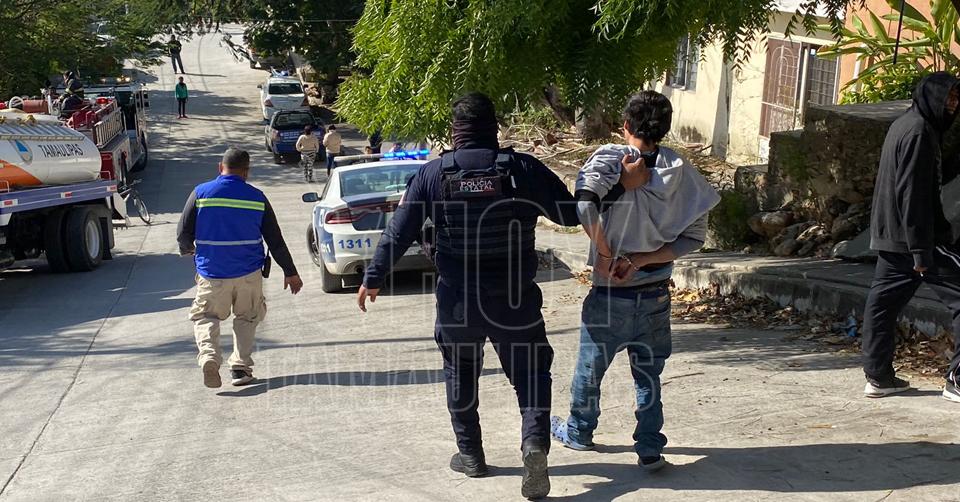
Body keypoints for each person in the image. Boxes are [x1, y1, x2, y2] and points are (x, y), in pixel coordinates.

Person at [356, 92, 646, 500]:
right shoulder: (522, 169)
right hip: (514, 298)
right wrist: (618, 187)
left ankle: (471, 455)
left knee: (460, 373)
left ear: (455, 131)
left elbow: (399, 232)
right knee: (530, 374)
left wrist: (373, 277)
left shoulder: (432, 175)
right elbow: (570, 214)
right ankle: (534, 445)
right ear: (494, 127)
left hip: (458, 301)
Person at [550, 91, 719, 472]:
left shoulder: (610, 159)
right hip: (655, 292)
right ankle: (649, 447)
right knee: (649, 374)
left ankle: (579, 431)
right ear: (665, 129)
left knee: (590, 370)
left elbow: (584, 205)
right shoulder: (681, 171)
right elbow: (694, 237)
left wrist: (605, 253)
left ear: (625, 125)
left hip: (610, 294)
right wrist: (640, 260)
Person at [861, 72, 960, 402]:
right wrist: (920, 252)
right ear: (931, 96)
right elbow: (912, 194)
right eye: (948, 98)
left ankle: (878, 377)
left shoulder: (906, 124)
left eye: (956, 99)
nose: (952, 105)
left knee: (882, 306)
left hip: (892, 237)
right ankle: (957, 381)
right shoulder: (919, 132)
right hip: (916, 241)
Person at [177, 148, 303, 388]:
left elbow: (183, 231)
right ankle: (240, 368)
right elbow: (275, 239)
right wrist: (290, 272)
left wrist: (188, 249)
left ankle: (209, 357)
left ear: (220, 167)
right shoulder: (257, 197)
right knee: (247, 317)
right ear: (246, 172)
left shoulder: (200, 193)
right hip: (249, 273)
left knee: (206, 316)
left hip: (212, 273)